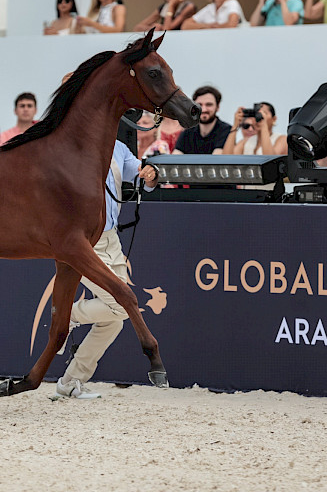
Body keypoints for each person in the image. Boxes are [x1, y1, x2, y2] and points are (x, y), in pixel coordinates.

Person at [55, 139, 159, 399]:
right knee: (121, 307)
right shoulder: (71, 142)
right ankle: (66, 315)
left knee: (114, 321)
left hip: (112, 236)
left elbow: (139, 172)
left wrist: (150, 173)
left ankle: (71, 381)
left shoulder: (119, 147)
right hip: (84, 240)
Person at [173, 86, 231, 154]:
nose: (204, 109)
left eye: (209, 105)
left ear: (217, 107)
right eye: (199, 105)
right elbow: (175, 157)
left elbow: (216, 160)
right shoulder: (188, 131)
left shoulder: (226, 130)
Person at [221, 102, 287, 155]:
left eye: (264, 113)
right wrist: (235, 125)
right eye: (256, 114)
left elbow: (270, 159)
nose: (258, 117)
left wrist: (263, 127)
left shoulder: (282, 139)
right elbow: (226, 157)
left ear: (274, 119)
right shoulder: (246, 142)